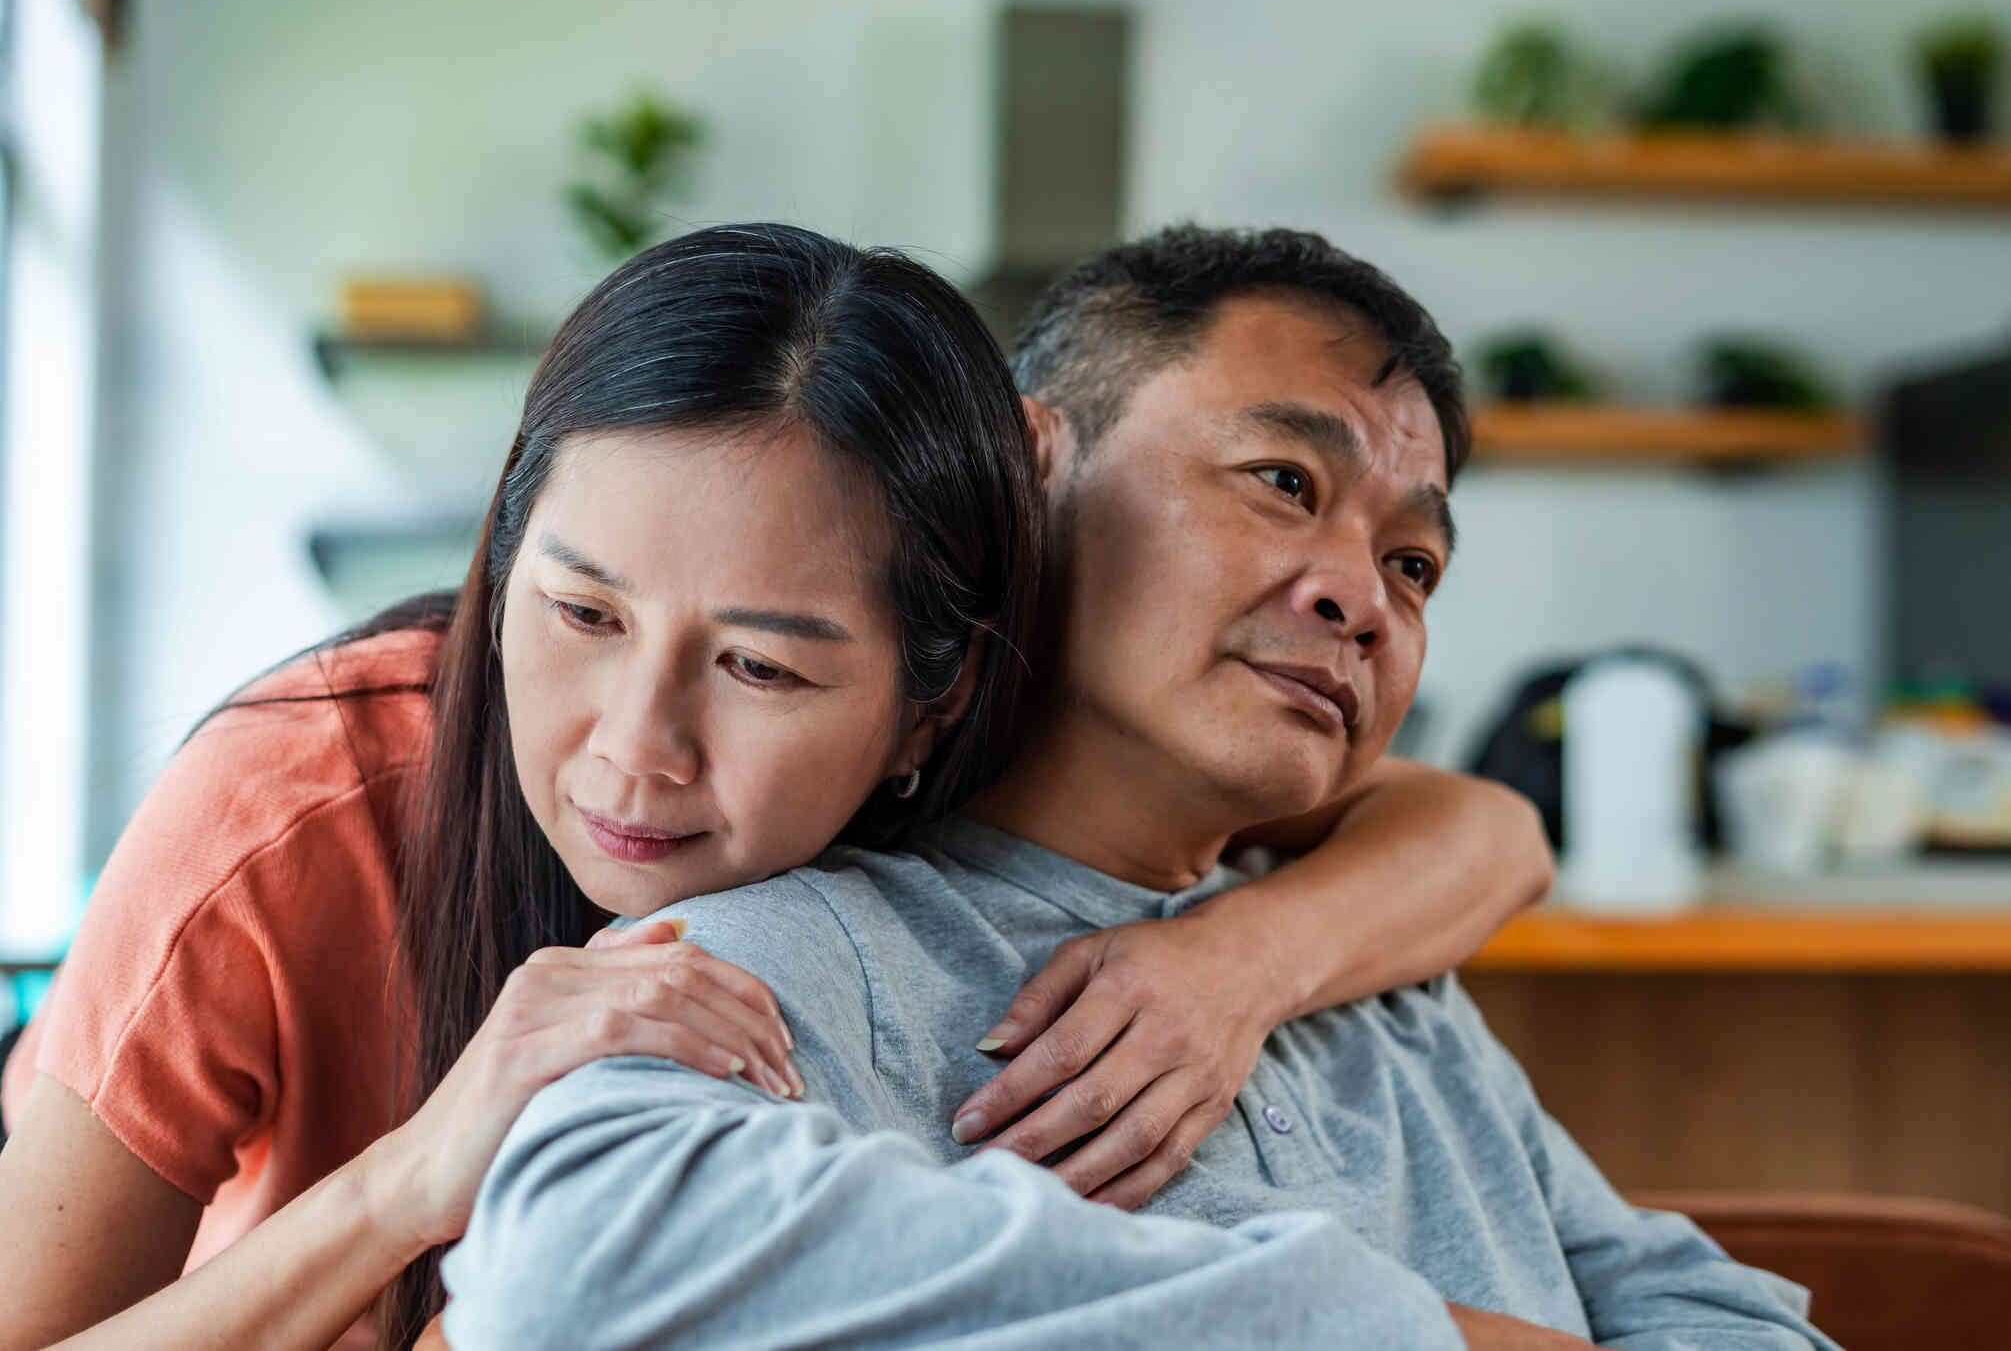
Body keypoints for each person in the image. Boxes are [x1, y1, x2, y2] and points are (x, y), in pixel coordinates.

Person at [0, 224, 1551, 1351]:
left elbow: (1477, 831)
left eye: (764, 667)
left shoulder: (1006, 789)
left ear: (926, 702)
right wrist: (411, 1177)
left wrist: (1229, 964)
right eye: (582, 612)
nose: (633, 751)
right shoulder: (303, 797)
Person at [435, 226, 1836, 1351]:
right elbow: (573, 1259)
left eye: (1414, 564)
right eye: (1284, 479)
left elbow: (1716, 1313)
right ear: (1032, 460)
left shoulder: (1384, 978)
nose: (1360, 594)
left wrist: (1256, 955)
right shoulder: (794, 947)